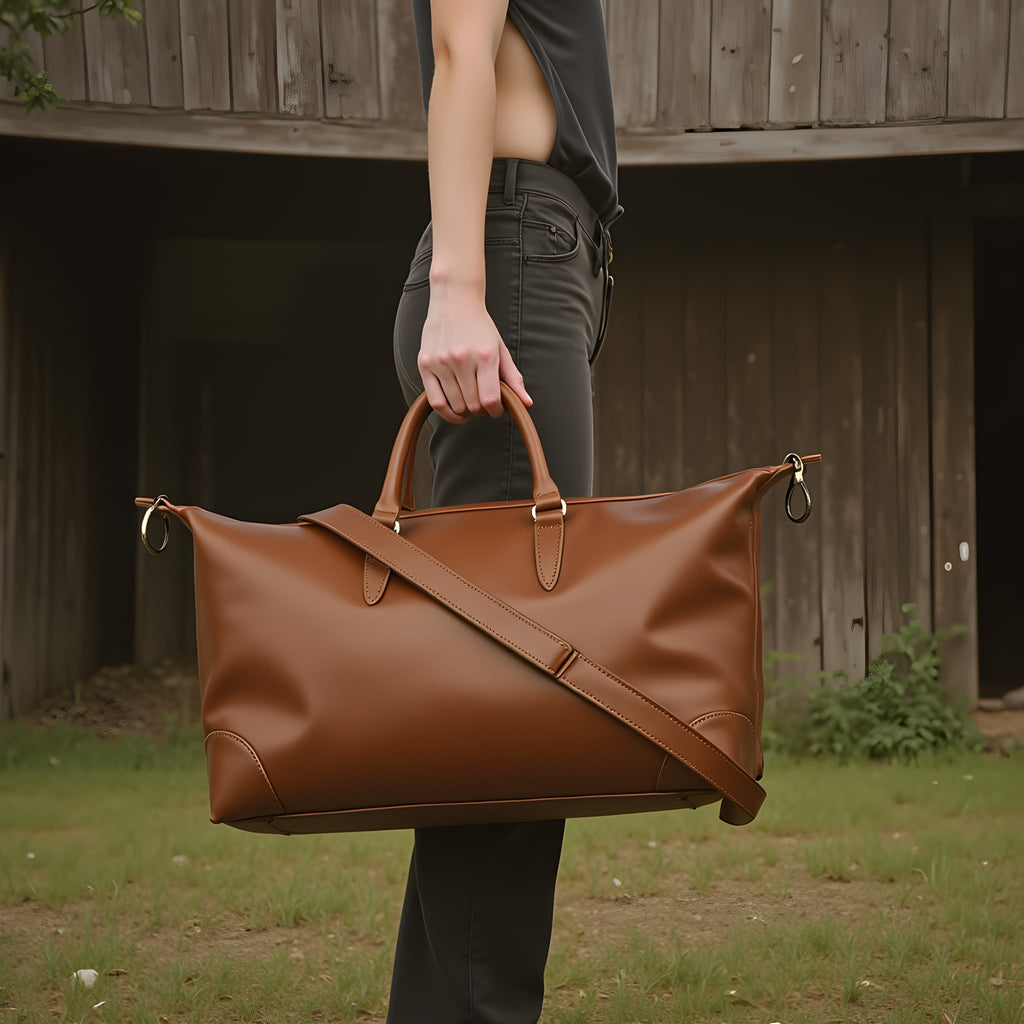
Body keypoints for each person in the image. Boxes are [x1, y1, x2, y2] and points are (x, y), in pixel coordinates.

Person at [388, 2, 620, 1021]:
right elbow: (460, 47)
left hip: (535, 257)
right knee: (515, 710)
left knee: (505, 711)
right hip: (508, 257)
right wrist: (459, 283)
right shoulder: (493, 266)